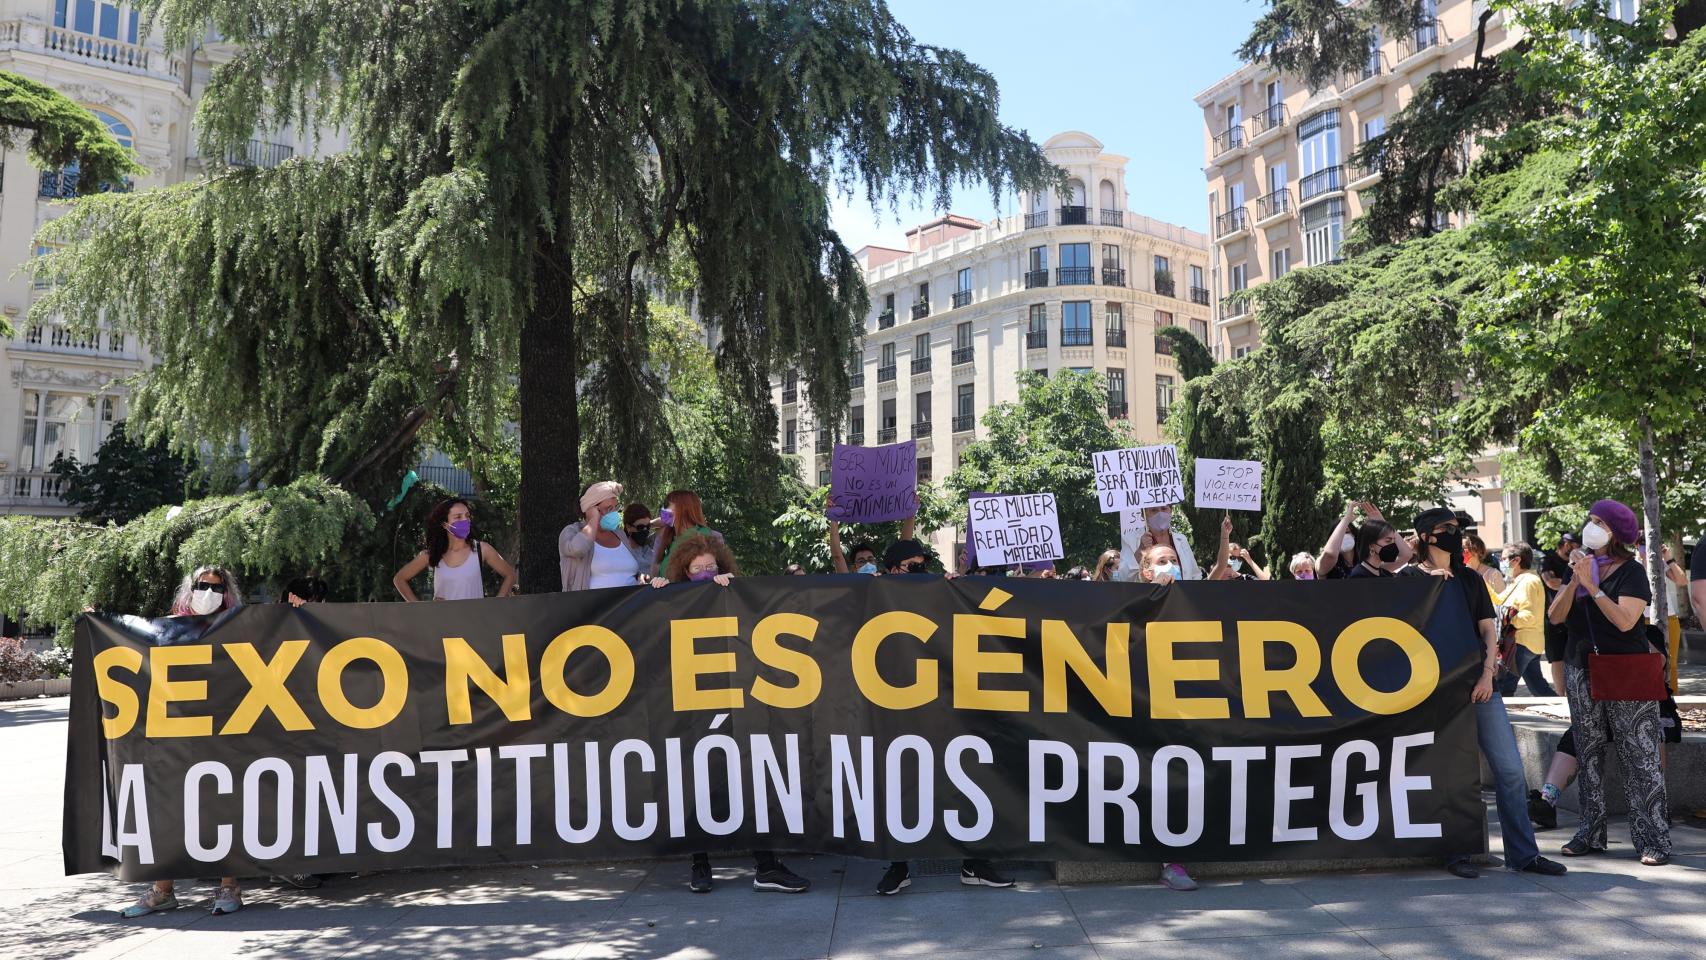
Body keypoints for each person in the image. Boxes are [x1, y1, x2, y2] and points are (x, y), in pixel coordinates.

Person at [1405, 507, 1566, 879]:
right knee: (1451, 774)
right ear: (1428, 535)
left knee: (1510, 771)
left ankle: (1524, 854)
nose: (1455, 534)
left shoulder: (1471, 580)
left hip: (1480, 687)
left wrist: (1486, 675)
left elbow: (1489, 631)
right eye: (1447, 528)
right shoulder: (1411, 580)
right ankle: (1456, 851)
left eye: (1456, 529)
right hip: (1434, 693)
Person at [649, 535, 811, 892]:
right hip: (691, 705)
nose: (706, 574)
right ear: (683, 571)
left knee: (749, 780)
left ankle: (766, 865)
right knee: (697, 783)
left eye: (712, 567)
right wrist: (658, 591)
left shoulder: (732, 593)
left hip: (735, 701)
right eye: (698, 569)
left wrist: (738, 592)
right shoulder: (672, 596)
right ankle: (700, 863)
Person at [877, 538, 1013, 895]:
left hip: (946, 705)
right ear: (892, 570)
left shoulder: (942, 591)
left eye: (924, 564)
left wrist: (958, 589)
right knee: (902, 786)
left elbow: (990, 609)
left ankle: (975, 862)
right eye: (912, 566)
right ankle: (898, 865)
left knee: (965, 779)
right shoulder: (874, 596)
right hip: (895, 708)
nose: (921, 571)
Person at [1547, 499, 1670, 865]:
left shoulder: (1630, 572)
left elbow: (1625, 621)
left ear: (1615, 531)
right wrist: (1575, 581)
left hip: (1624, 669)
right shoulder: (1583, 567)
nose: (1590, 526)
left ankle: (1654, 840)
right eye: (1590, 520)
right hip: (1581, 667)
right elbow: (1556, 617)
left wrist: (1593, 587)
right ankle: (1591, 832)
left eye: (1598, 521)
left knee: (1640, 756)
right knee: (1587, 751)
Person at [121, 566, 247, 917]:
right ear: (190, 589)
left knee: (222, 809)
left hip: (223, 733)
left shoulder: (241, 625)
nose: (209, 591)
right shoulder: (169, 627)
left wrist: (297, 611)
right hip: (177, 734)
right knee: (170, 810)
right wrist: (99, 625)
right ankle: (163, 890)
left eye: (216, 586)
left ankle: (229, 888)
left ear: (227, 591)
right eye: (202, 585)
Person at [1132, 542, 1200, 891]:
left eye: (1174, 560)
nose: (1171, 565)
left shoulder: (1193, 602)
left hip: (1183, 707)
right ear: (1146, 571)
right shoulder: (1128, 604)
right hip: (1140, 707)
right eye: (1163, 561)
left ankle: (1174, 859)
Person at [392, 499, 517, 601]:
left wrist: (498, 602)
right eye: (458, 517)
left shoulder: (482, 549)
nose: (465, 520)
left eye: (467, 516)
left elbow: (510, 575)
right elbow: (399, 579)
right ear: (445, 524)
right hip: (443, 626)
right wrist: (422, 609)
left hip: (476, 624)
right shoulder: (431, 554)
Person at [1496, 543, 1556, 697]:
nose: (1500, 563)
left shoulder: (1528, 581)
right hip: (1526, 643)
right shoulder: (1521, 581)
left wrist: (1505, 617)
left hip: (1520, 642)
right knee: (1539, 688)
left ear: (1516, 560)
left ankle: (1502, 721)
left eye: (1503, 559)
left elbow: (1528, 616)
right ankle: (1572, 716)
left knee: (1503, 687)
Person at [560, 481, 642, 591]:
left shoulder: (619, 534)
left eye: (615, 507)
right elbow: (577, 549)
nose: (614, 513)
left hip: (630, 607)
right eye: (608, 508)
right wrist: (593, 519)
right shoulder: (572, 532)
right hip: (592, 607)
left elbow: (631, 571)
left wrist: (641, 578)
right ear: (590, 509)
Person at [1539, 533, 1580, 695]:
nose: (1577, 549)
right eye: (1575, 546)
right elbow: (1551, 582)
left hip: (1575, 615)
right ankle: (1560, 694)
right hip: (1554, 617)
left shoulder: (1577, 561)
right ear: (1566, 544)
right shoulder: (1548, 561)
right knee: (1557, 657)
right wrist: (1573, 583)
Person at [1117, 505, 1200, 582]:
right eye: (1154, 510)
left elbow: (1195, 575)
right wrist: (1140, 550)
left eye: (1164, 508)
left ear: (1171, 510)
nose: (1160, 514)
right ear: (1143, 515)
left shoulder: (1182, 539)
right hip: (1150, 596)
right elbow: (1123, 578)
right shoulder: (1130, 539)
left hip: (1180, 595)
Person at [653, 490, 724, 576]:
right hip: (664, 589)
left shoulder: (712, 537)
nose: (664, 509)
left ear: (682, 509)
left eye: (667, 505)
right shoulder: (664, 537)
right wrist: (648, 524)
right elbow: (655, 569)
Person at [1317, 500, 1388, 579]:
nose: (1344, 537)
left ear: (1354, 535)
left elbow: (1403, 556)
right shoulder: (1321, 563)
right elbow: (1330, 555)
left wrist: (1384, 527)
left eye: (1347, 532)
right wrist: (1346, 519)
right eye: (1341, 534)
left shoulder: (1368, 562)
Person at [623, 503, 659, 571]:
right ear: (628, 527)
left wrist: (650, 523)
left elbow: (670, 519)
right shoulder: (622, 550)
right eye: (640, 527)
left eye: (647, 527)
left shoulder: (649, 543)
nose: (645, 531)